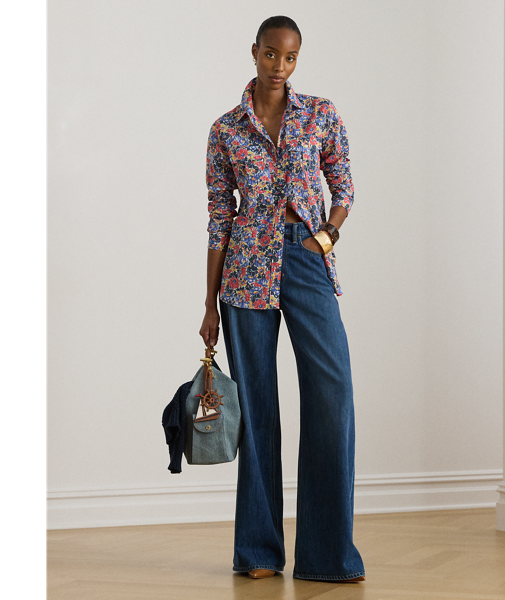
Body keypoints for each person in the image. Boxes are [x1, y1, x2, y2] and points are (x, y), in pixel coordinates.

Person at [199, 15, 365, 583]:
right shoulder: (226, 130)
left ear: (298, 58)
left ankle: (327, 555)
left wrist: (326, 236)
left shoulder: (320, 114)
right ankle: (258, 551)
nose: (280, 66)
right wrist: (208, 304)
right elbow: (219, 219)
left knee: (332, 392)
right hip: (245, 269)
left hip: (306, 257)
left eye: (290, 57)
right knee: (256, 408)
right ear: (255, 52)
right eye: (271, 54)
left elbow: (343, 184)